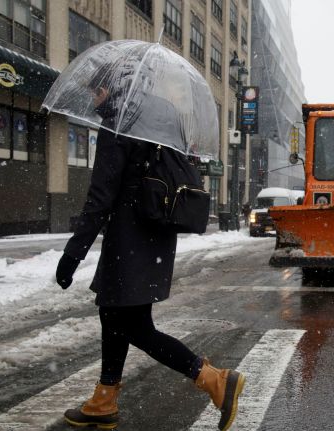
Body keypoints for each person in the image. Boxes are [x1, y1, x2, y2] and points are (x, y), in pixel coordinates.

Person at [55, 67, 244, 431]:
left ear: (108, 89)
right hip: (155, 234)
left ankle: (215, 380)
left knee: (134, 325)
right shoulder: (161, 117)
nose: (94, 100)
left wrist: (73, 253)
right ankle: (104, 400)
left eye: (95, 93)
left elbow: (100, 195)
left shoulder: (119, 124)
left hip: (129, 239)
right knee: (113, 316)